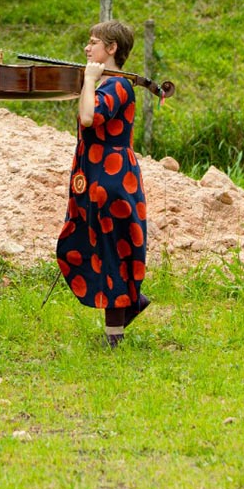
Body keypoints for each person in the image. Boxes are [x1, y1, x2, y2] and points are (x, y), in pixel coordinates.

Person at [55, 20, 150, 348]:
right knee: (93, 244)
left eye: (94, 42)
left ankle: (116, 333)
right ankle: (129, 304)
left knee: (110, 251)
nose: (87, 47)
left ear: (111, 49)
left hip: (112, 179)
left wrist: (89, 81)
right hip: (95, 173)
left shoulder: (119, 86)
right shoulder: (103, 83)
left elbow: (87, 117)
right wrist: (90, 82)